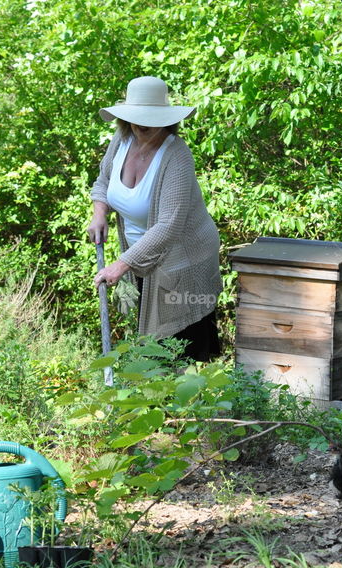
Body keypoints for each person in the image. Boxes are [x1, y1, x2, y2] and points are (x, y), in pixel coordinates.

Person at [88, 76, 222, 361]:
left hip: (184, 259)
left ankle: (184, 388)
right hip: (143, 258)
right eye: (136, 117)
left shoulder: (176, 156)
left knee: (181, 346)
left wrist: (121, 264)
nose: (141, 124)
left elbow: (168, 225)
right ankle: (157, 387)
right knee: (153, 344)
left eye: (149, 118)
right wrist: (100, 213)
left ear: (166, 120)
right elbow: (103, 181)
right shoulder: (121, 141)